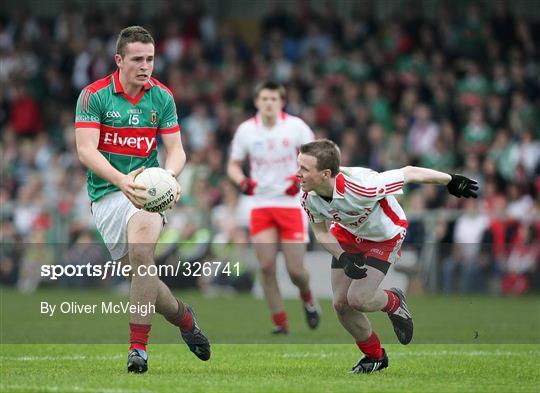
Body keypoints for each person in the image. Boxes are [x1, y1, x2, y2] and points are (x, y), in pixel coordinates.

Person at [75, 26, 210, 374]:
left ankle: (138, 349)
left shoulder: (162, 96)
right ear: (119, 60)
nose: (145, 65)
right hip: (107, 193)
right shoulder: (94, 96)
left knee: (141, 255)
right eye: (137, 59)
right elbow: (86, 150)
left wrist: (170, 178)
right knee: (141, 274)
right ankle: (183, 316)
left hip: (148, 191)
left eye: (149, 59)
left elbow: (176, 150)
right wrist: (121, 181)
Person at [297, 139, 478, 373]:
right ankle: (375, 357)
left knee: (359, 299)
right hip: (347, 233)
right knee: (341, 304)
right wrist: (342, 257)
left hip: (385, 234)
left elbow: (409, 172)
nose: (297, 173)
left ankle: (394, 301)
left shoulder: (364, 186)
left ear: (325, 174)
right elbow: (321, 232)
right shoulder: (308, 197)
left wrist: (450, 180)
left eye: (304, 169)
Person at [227, 81, 321, 334]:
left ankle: (308, 298)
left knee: (295, 270)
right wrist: (242, 181)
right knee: (266, 266)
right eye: (264, 99)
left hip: (291, 205)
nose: (269, 103)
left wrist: (297, 180)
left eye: (273, 99)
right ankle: (280, 323)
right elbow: (233, 165)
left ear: (281, 102)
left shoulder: (296, 126)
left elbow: (316, 158)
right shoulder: (246, 130)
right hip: (261, 205)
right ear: (257, 102)